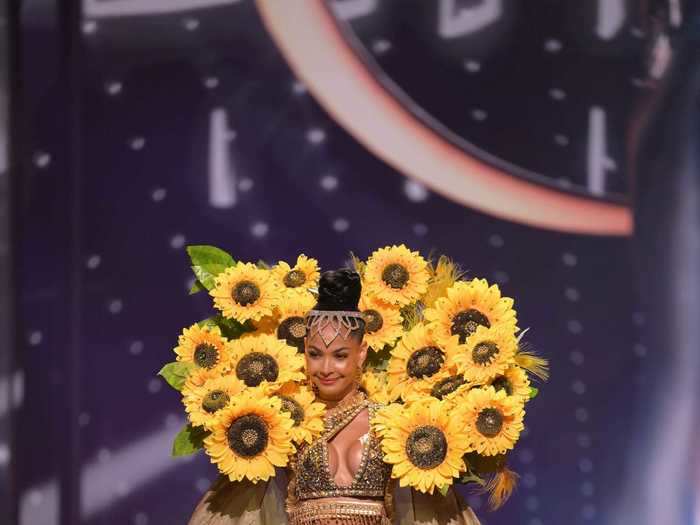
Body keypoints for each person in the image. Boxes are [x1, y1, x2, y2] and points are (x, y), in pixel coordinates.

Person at [189, 269, 481, 525]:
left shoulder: (392, 425)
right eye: (316, 354)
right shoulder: (285, 424)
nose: (326, 368)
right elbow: (248, 508)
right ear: (304, 351)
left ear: (361, 354)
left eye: (340, 356)